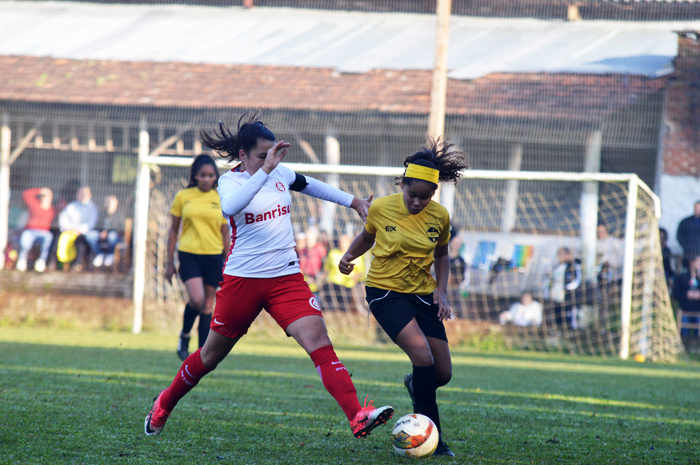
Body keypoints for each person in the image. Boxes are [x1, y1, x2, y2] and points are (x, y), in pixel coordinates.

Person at [145, 113, 393, 440]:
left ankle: (357, 415)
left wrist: (354, 202)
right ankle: (164, 404)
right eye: (262, 156)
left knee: (319, 341)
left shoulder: (279, 173)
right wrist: (264, 169)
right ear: (243, 155)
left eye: (272, 154)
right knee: (209, 356)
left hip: (285, 278)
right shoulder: (229, 182)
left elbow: (310, 184)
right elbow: (231, 207)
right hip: (242, 282)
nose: (271, 161)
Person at [339, 139, 469, 457]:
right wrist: (348, 256)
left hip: (423, 293)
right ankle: (432, 438)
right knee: (422, 355)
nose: (417, 202)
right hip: (385, 292)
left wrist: (441, 291)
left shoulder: (440, 216)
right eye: (412, 195)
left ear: (434, 195)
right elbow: (367, 236)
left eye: (425, 198)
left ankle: (416, 386)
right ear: (402, 184)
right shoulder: (382, 207)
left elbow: (442, 256)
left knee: (442, 373)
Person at [165, 154, 230, 360]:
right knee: (196, 299)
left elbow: (225, 232)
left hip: (213, 256)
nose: (206, 179)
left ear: (215, 178)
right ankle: (184, 336)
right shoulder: (183, 196)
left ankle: (202, 354)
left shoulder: (220, 198)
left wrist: (228, 260)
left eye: (210, 175)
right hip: (189, 255)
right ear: (195, 176)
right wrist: (169, 263)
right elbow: (173, 230)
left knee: (207, 305)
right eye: (202, 175)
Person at [57, 186, 99, 271]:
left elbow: (91, 222)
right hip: (70, 231)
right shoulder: (72, 205)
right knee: (58, 239)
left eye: (84, 193)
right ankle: (56, 263)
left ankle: (78, 263)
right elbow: (63, 217)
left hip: (83, 232)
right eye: (80, 193)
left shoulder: (92, 207)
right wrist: (68, 228)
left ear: (89, 195)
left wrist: (79, 230)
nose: (82, 195)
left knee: (80, 242)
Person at [321, 234, 366, 311]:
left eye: (345, 241)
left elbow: (361, 272)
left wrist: (355, 278)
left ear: (350, 242)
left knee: (344, 309)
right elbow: (326, 269)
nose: (342, 243)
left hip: (347, 285)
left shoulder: (357, 255)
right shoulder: (332, 253)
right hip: (333, 284)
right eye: (341, 241)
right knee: (330, 308)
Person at [16, 187, 55, 273]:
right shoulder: (35, 204)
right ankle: (22, 260)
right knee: (25, 239)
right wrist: (40, 190)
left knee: (49, 238)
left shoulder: (52, 210)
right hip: (31, 230)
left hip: (43, 232)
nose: (45, 198)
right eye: (43, 196)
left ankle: (41, 261)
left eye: (47, 196)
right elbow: (26, 194)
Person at [547, 247, 582, 330]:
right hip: (556, 293)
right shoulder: (556, 266)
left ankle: (571, 329)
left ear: (568, 255)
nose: (561, 256)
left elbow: (577, 280)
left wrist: (567, 289)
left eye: (563, 254)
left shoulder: (573, 265)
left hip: (567, 295)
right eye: (559, 254)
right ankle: (558, 330)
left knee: (568, 313)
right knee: (557, 312)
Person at [86, 195, 124, 268]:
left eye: (111, 201)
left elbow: (120, 229)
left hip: (114, 236)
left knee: (112, 236)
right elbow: (97, 225)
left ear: (116, 202)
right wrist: (101, 232)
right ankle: (99, 253)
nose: (109, 203)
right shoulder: (102, 213)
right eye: (107, 201)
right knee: (91, 235)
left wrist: (107, 232)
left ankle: (111, 254)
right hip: (101, 235)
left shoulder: (119, 214)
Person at [672, 254, 700, 337]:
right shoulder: (682, 278)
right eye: (698, 262)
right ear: (692, 262)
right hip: (685, 310)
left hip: (698, 311)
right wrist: (686, 294)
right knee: (684, 334)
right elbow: (675, 293)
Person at [676, 201, 700, 270]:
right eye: (696, 208)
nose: (697, 211)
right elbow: (679, 236)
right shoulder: (686, 222)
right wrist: (687, 247)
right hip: (688, 254)